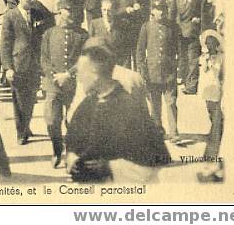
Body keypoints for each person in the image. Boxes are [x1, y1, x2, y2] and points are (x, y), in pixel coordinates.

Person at [65, 38, 170, 183]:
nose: (80, 79)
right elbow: (72, 143)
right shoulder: (86, 105)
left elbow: (157, 161)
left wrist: (111, 168)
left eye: (82, 73)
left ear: (95, 73)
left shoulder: (130, 108)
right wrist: (72, 159)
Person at [40, 0, 89, 167]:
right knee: (52, 120)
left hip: (74, 84)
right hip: (53, 84)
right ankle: (56, 149)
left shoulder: (82, 35)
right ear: (60, 13)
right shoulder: (49, 34)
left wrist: (68, 74)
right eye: (66, 13)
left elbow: (85, 58)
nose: (70, 17)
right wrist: (54, 75)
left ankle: (71, 153)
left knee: (73, 121)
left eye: (72, 13)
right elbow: (44, 59)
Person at [0, 0, 50, 145]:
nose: (31, 1)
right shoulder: (10, 16)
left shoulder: (37, 13)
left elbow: (51, 21)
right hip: (18, 63)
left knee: (31, 97)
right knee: (19, 99)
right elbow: (5, 43)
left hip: (35, 63)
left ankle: (26, 125)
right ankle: (21, 132)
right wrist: (8, 67)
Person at [136, 0, 181, 143]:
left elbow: (179, 50)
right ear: (152, 11)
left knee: (171, 102)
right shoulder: (146, 27)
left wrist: (178, 68)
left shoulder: (173, 27)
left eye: (163, 9)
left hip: (169, 72)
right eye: (157, 9)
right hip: (152, 71)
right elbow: (140, 51)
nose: (160, 12)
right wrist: (142, 70)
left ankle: (174, 133)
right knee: (155, 104)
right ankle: (157, 130)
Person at [169, 0, 205, 94]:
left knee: (193, 58)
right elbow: (172, 11)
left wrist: (198, 20)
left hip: (192, 30)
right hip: (179, 29)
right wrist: (170, 27)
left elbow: (203, 13)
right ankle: (183, 79)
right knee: (182, 56)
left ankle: (191, 86)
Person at [196, 29, 224, 183]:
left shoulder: (221, 57)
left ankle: (214, 136)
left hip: (216, 89)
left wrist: (214, 62)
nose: (209, 45)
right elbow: (203, 68)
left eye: (212, 42)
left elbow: (219, 73)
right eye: (207, 43)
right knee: (210, 112)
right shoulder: (204, 57)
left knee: (216, 116)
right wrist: (206, 59)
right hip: (208, 90)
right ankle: (214, 131)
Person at [89, 0, 129, 67]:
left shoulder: (122, 24)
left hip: (117, 66)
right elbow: (90, 47)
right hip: (100, 66)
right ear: (101, 10)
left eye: (109, 10)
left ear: (114, 11)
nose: (106, 13)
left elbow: (125, 49)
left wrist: (123, 67)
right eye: (104, 10)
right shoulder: (94, 24)